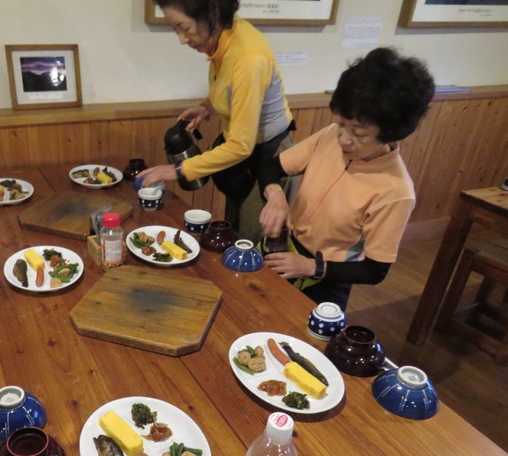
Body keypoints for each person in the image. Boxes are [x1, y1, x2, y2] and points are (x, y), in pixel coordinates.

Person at [256, 47, 435, 311]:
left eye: (359, 133)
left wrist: (310, 266)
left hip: (327, 276)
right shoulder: (329, 136)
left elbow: (375, 270)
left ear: (391, 132)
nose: (343, 138)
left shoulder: (395, 190)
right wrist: (275, 196)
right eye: (342, 124)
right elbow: (270, 168)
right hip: (282, 248)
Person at [137, 0, 295, 239]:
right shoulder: (224, 38)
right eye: (175, 29)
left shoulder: (249, 57)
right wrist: (206, 106)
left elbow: (241, 146)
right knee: (234, 225)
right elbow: (231, 87)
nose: (181, 39)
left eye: (185, 28)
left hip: (269, 155)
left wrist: (178, 169)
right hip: (245, 152)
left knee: (250, 239)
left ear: (211, 13)